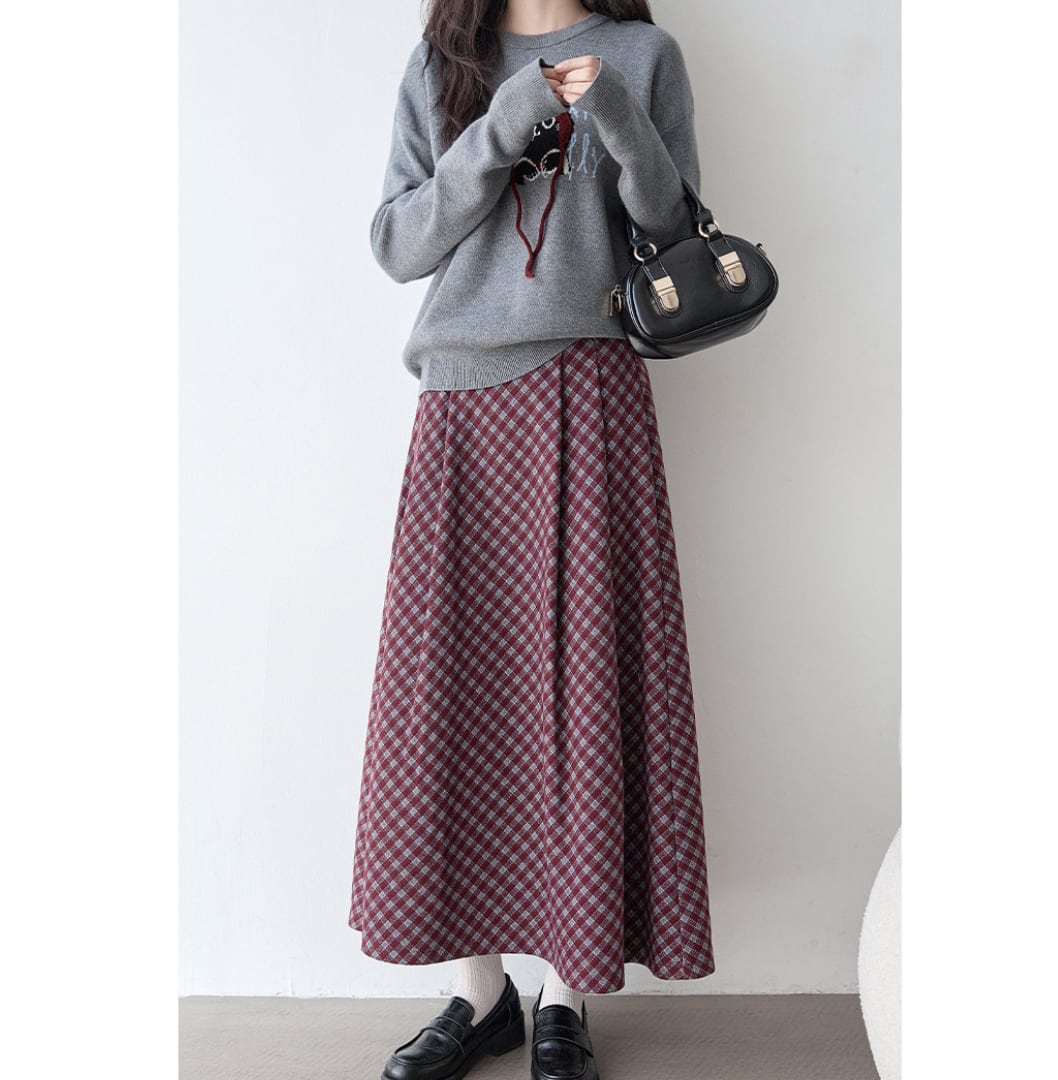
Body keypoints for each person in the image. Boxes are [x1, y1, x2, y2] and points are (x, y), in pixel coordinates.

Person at [349, 2, 716, 1078]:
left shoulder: (645, 54)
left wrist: (618, 116)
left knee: (586, 687)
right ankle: (480, 995)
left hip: (594, 391)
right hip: (463, 408)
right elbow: (398, 243)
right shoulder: (443, 62)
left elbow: (677, 235)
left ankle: (566, 994)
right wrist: (504, 122)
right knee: (452, 690)